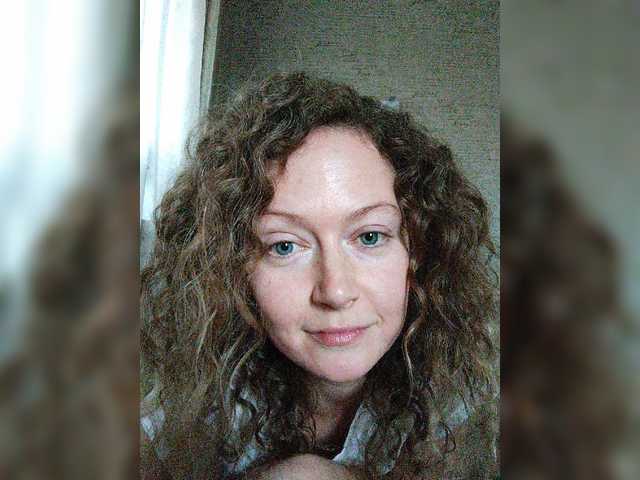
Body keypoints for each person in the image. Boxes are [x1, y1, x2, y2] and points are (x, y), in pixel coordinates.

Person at [140, 72, 498, 479]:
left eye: (369, 237)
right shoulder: (192, 411)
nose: (336, 291)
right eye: (284, 246)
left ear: (419, 250)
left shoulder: (459, 404)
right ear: (232, 269)